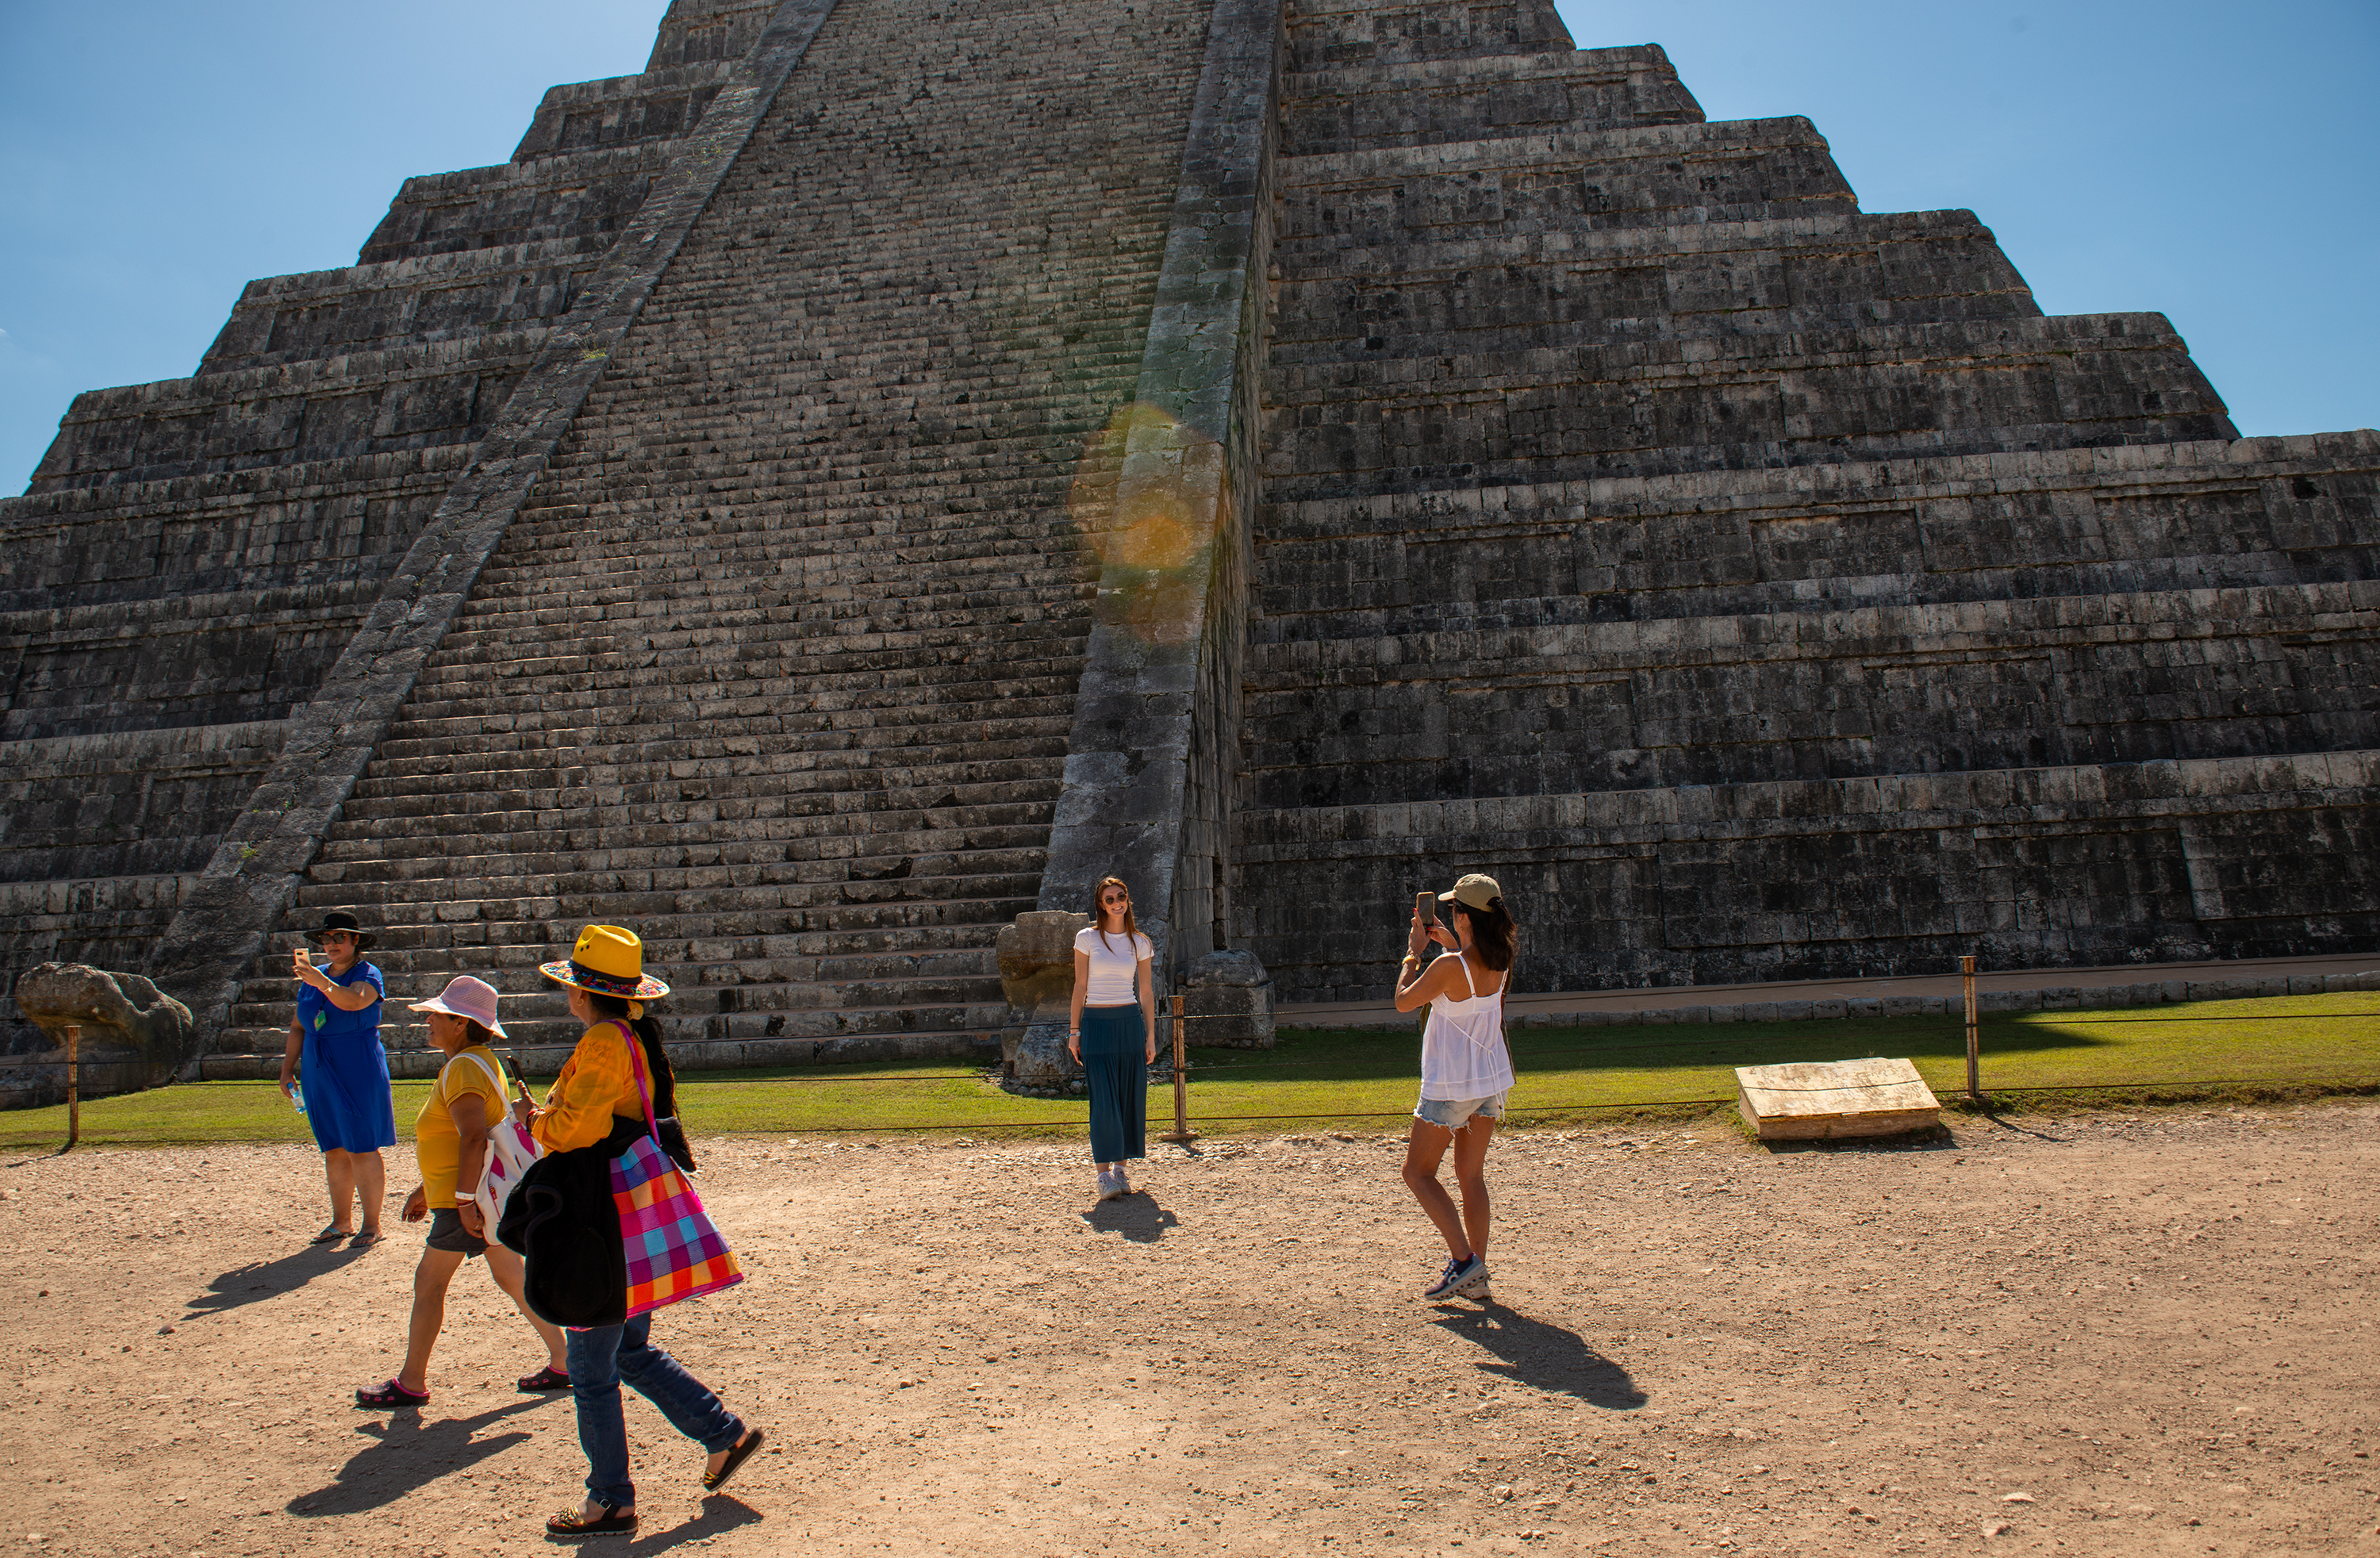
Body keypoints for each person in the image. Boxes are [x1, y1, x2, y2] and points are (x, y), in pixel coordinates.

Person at [516, 924, 764, 1538]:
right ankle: (720, 1433)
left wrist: (536, 1121)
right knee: (626, 1349)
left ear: (582, 992)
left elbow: (577, 1128)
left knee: (591, 1364)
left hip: (600, 1209)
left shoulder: (604, 1039)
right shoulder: (625, 1036)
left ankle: (610, 1499)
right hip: (625, 1207)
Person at [352, 975, 570, 1409]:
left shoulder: (464, 1067)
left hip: (468, 1201)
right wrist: (425, 1188)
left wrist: (462, 1201)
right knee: (510, 1276)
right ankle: (566, 1360)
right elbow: (471, 1140)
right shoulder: (480, 1060)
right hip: (475, 1195)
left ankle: (412, 1381)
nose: (428, 1020)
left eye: (436, 1014)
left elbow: (473, 1139)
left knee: (429, 1282)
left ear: (460, 1023)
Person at [1391, 873, 1518, 1302]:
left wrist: (1412, 955)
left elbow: (1404, 1001)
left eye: (1453, 909)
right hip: (1488, 1079)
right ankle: (1476, 1276)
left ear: (1464, 916)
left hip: (1451, 1083)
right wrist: (1450, 941)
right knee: (1470, 1175)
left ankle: (1464, 1262)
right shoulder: (1501, 957)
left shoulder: (1447, 966)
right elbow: (1473, 980)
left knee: (1418, 1173)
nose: (1450, 914)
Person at [278, 909, 397, 1244]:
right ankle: (340, 1221)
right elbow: (299, 1024)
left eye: (339, 938)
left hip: (356, 1064)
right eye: (326, 939)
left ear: (355, 941)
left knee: (361, 1145)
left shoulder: (368, 974)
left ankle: (371, 1225)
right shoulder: (315, 977)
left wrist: (322, 983)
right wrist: (288, 1069)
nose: (331, 944)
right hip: (317, 1066)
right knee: (333, 1146)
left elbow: (355, 1002)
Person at [1067, 876, 1159, 1202]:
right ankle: (1103, 1175)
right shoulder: (1087, 938)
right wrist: (1074, 1032)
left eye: (1121, 896)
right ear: (1100, 905)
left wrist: (1150, 1036)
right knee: (1104, 1103)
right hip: (1096, 1024)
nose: (1117, 902)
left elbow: (1146, 993)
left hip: (1129, 1025)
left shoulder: (1141, 943)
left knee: (1128, 1098)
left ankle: (1121, 1170)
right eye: (1110, 898)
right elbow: (1080, 987)